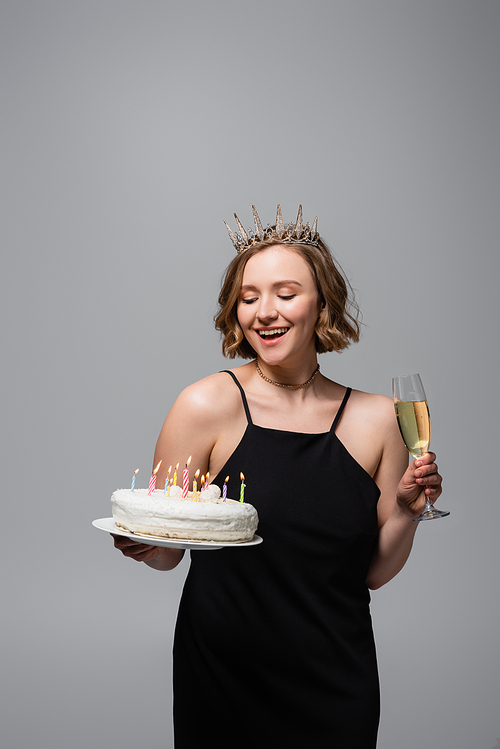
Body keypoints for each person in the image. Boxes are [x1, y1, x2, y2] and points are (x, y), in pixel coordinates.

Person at [112, 205, 442, 749]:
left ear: (322, 304)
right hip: (223, 677)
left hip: (335, 675)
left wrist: (407, 511)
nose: (265, 312)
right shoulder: (204, 405)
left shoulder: (379, 418)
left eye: (286, 293)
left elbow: (374, 573)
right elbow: (171, 550)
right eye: (249, 297)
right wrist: (145, 540)